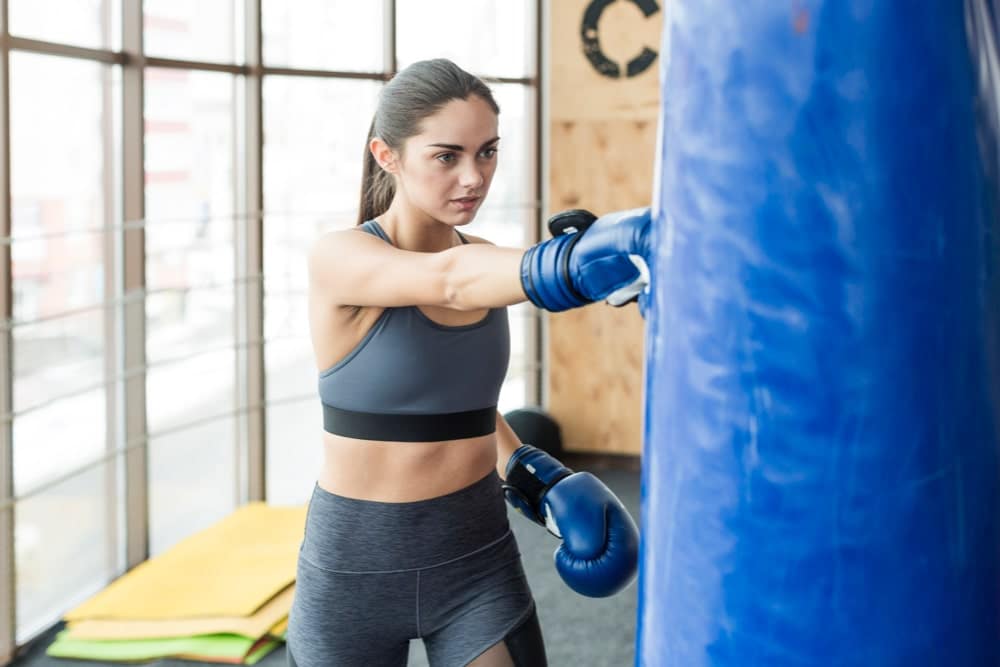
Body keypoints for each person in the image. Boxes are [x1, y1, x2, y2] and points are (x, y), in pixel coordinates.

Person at [286, 58, 650, 667]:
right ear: (387, 155)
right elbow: (447, 281)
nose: (473, 177)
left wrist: (537, 478)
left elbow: (471, 409)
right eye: (446, 156)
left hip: (474, 554)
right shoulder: (340, 258)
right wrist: (574, 262)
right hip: (354, 568)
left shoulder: (483, 260)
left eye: (488, 153)